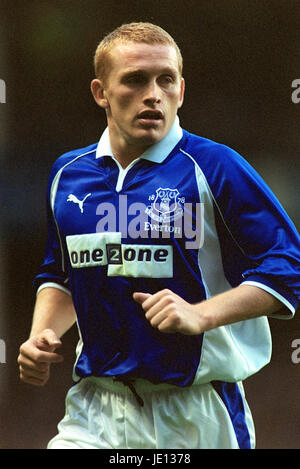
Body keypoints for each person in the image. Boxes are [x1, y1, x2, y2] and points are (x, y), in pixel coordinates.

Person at [18, 22, 300, 450]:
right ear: (101, 92)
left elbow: (288, 267)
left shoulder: (216, 166)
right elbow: (62, 271)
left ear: (181, 90)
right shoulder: (68, 174)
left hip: (196, 413)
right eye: (135, 80)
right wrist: (43, 334)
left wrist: (200, 315)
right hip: (95, 406)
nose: (153, 93)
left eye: (165, 79)